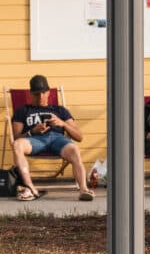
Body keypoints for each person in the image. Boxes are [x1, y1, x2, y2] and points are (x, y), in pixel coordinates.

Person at [11, 74, 94, 202]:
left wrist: (63, 123)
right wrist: (32, 131)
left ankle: (83, 189)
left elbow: (79, 137)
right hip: (34, 140)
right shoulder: (22, 111)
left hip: (57, 139)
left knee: (74, 149)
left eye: (43, 93)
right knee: (17, 145)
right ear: (30, 94)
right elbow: (16, 138)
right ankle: (29, 188)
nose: (40, 97)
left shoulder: (60, 110)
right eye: (36, 94)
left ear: (48, 92)